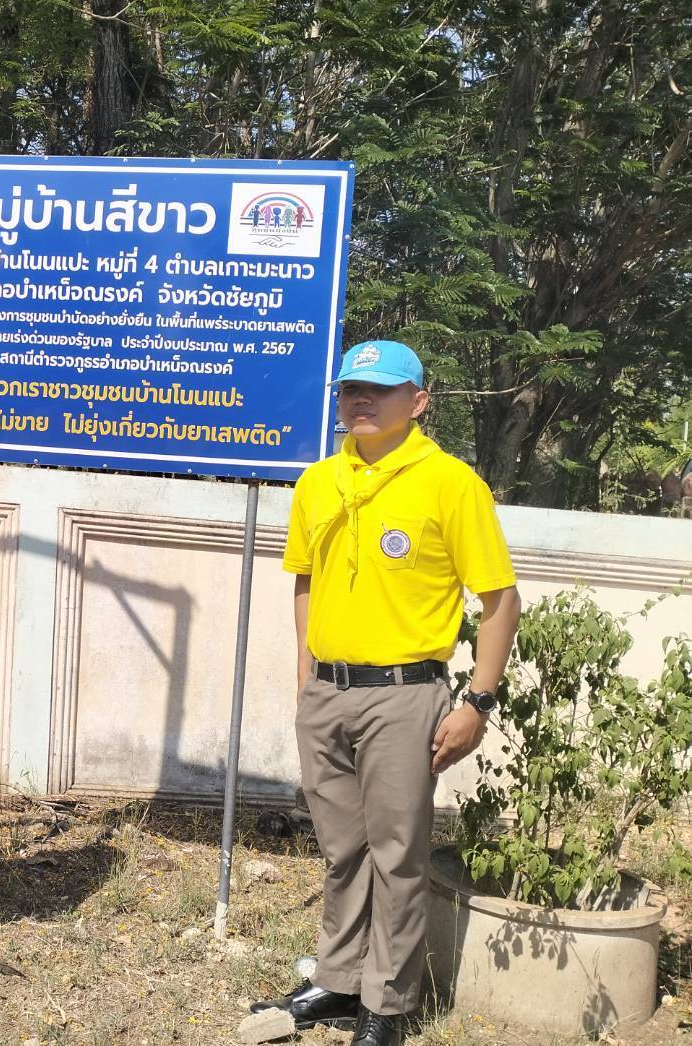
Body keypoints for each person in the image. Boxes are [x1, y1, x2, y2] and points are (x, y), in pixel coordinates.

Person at [251, 340, 521, 1046]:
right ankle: (339, 981)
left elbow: (500, 600)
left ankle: (388, 1004)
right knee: (342, 847)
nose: (361, 400)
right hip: (328, 693)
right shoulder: (319, 482)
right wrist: (306, 675)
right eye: (350, 389)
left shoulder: (451, 483)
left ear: (418, 401)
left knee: (398, 854)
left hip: (404, 695)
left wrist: (477, 702)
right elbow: (306, 579)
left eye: (380, 389)